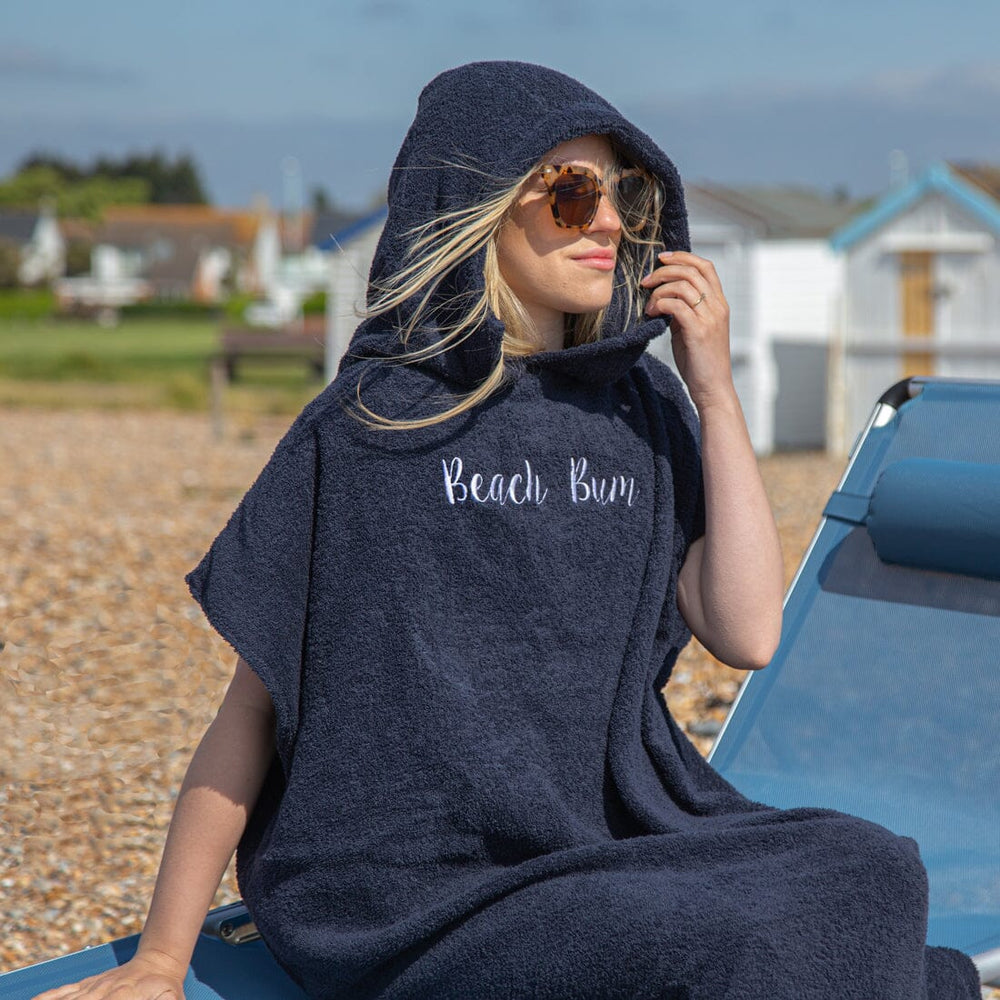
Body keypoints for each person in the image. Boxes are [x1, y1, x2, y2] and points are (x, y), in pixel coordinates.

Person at [35, 62, 979, 1000]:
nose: (609, 221)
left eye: (625, 194)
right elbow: (251, 708)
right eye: (572, 195)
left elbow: (747, 633)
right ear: (479, 204)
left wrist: (715, 390)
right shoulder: (372, 427)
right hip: (413, 891)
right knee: (743, 942)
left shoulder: (641, 407)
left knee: (876, 866)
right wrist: (160, 960)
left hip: (610, 843)